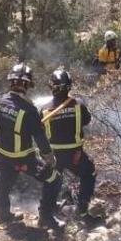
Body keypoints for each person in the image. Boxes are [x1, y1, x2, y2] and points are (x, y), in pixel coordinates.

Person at [0, 63, 63, 231]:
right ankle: (46, 217)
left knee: (4, 183)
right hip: (24, 158)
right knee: (54, 179)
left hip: (3, 154)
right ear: (27, 85)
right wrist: (49, 157)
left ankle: (3, 215)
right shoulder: (29, 110)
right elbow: (40, 137)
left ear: (11, 82)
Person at [41, 69, 101, 224]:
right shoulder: (78, 105)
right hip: (75, 155)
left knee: (51, 182)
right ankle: (81, 210)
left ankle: (46, 215)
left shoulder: (44, 109)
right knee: (89, 174)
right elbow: (86, 121)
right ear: (69, 86)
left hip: (53, 156)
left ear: (51, 86)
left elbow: (39, 131)